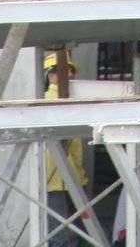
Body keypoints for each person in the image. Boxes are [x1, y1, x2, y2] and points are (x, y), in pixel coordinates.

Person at [43, 50, 89, 247]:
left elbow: (75, 151)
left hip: (70, 182)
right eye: (65, 70)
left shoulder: (72, 103)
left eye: (71, 71)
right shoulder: (50, 102)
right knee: (63, 239)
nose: (70, 75)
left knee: (76, 236)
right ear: (50, 75)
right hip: (56, 183)